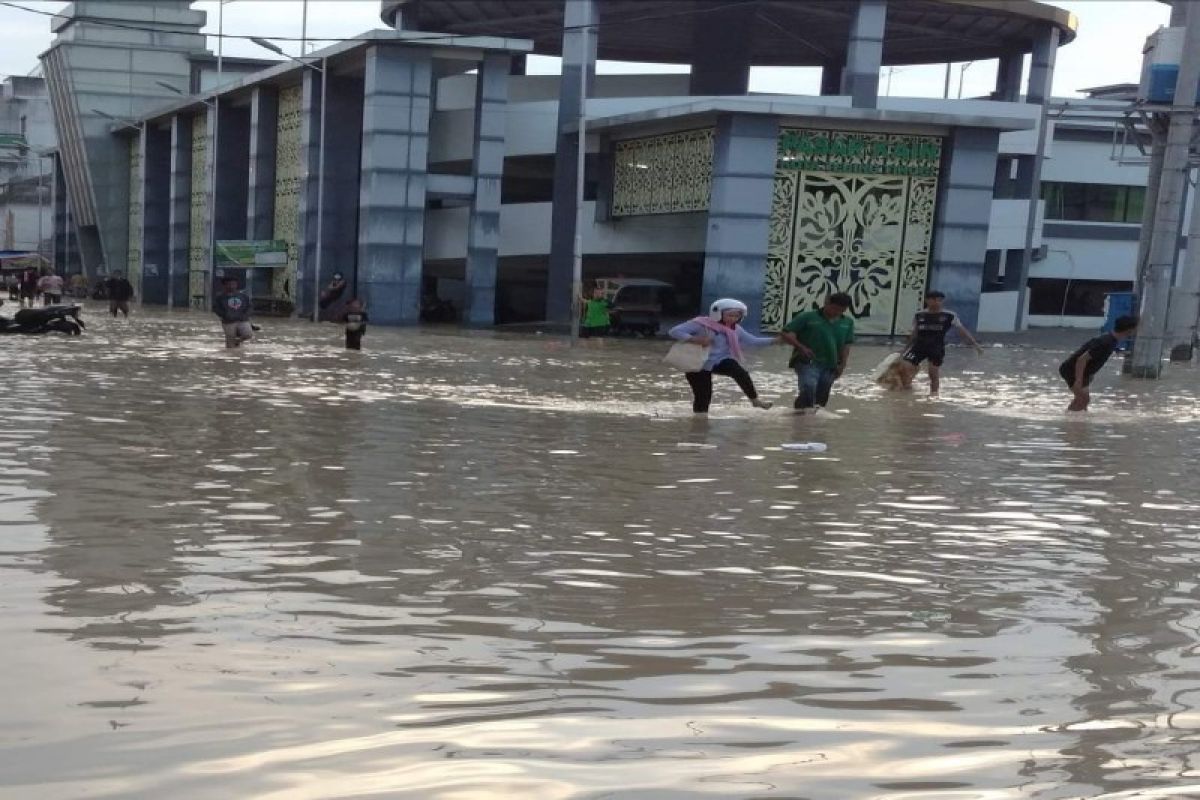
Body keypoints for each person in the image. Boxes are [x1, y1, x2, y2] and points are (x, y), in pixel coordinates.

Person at [668, 298, 778, 414]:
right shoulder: (700, 324)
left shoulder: (735, 329)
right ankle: (700, 422)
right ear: (718, 313)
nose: (733, 319)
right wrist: (696, 339)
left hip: (719, 361)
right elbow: (674, 331)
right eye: (730, 315)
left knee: (740, 372)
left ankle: (755, 400)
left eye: (737, 316)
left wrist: (777, 340)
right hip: (697, 363)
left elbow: (753, 341)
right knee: (703, 396)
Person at [779, 293, 856, 412]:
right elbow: (786, 333)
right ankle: (805, 416)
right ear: (827, 303)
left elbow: (847, 344)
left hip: (831, 364)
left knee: (822, 395)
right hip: (807, 361)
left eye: (842, 310)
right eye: (835, 308)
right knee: (808, 386)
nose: (837, 312)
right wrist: (801, 347)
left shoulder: (848, 322)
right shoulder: (808, 317)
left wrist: (842, 365)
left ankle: (803, 417)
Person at [897, 290, 984, 395]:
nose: (937, 302)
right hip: (918, 346)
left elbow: (962, 331)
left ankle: (934, 397)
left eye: (940, 300)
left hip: (936, 347)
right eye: (934, 300)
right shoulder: (919, 315)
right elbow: (914, 334)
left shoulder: (949, 315)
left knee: (933, 373)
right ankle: (906, 391)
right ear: (927, 301)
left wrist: (976, 345)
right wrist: (904, 350)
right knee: (904, 368)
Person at [1059, 315, 1138, 412]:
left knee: (1083, 400)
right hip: (1071, 370)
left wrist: (1119, 351)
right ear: (1128, 331)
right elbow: (1081, 360)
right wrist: (1078, 380)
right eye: (1134, 329)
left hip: (1084, 372)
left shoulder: (1111, 339)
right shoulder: (1106, 342)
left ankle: (1077, 422)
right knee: (1083, 400)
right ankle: (1069, 421)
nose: (1135, 332)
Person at [214, 276, 253, 348]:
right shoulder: (220, 297)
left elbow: (250, 307)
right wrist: (225, 315)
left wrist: (246, 315)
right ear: (224, 285)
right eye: (229, 284)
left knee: (248, 334)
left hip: (242, 320)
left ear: (237, 285)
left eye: (234, 284)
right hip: (228, 322)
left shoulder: (243, 296)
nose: (231, 286)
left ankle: (237, 341)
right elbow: (216, 308)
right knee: (230, 346)